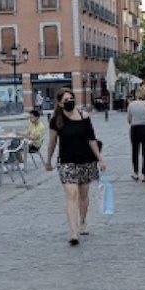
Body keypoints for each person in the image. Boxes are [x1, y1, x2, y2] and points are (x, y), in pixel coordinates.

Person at [45, 88, 105, 245]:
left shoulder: (84, 116)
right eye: (66, 100)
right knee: (71, 195)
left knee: (83, 195)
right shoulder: (56, 120)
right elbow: (52, 142)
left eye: (71, 98)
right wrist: (48, 160)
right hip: (66, 162)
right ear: (59, 103)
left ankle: (83, 221)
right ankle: (73, 232)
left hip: (86, 161)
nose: (70, 102)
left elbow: (92, 140)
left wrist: (100, 159)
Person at [127, 87, 145, 182]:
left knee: (135, 151)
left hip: (134, 129)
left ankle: (135, 173)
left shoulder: (131, 104)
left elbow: (129, 120)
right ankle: (143, 174)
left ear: (137, 95)